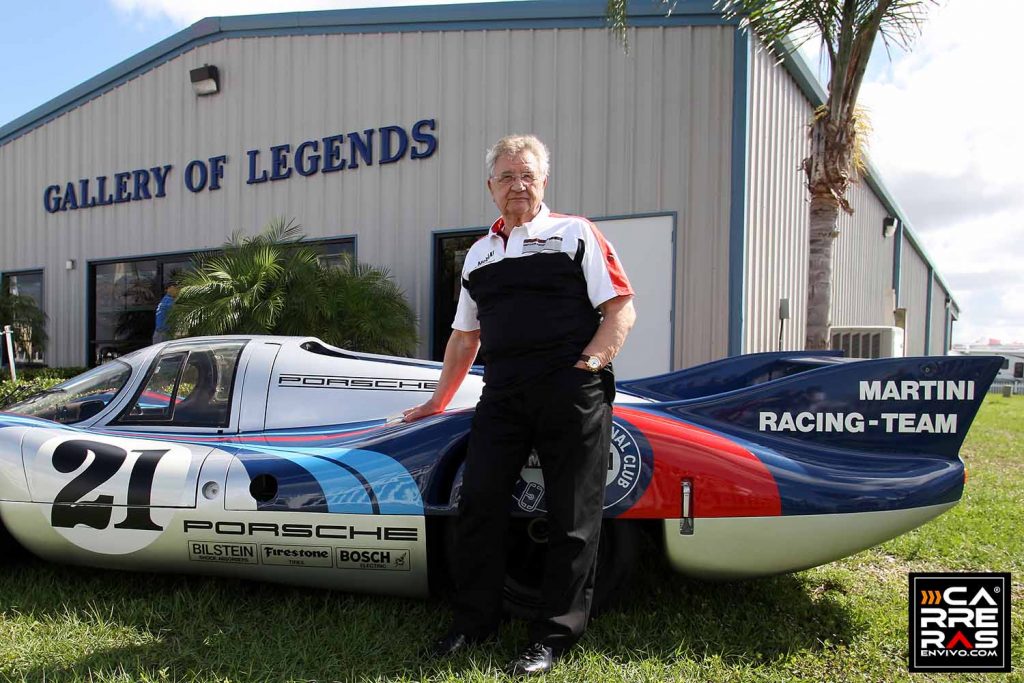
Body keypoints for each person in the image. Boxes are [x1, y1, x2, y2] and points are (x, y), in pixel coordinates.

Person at [403, 134, 636, 676]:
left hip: (570, 389)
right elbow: (465, 338)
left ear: (544, 181)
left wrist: (592, 365)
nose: (517, 185)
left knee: (571, 515)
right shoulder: (479, 255)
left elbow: (620, 306)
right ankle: (473, 623)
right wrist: (438, 400)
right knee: (479, 503)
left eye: (527, 174)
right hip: (503, 394)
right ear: (490, 186)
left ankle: (553, 635)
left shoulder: (575, 234)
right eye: (506, 176)